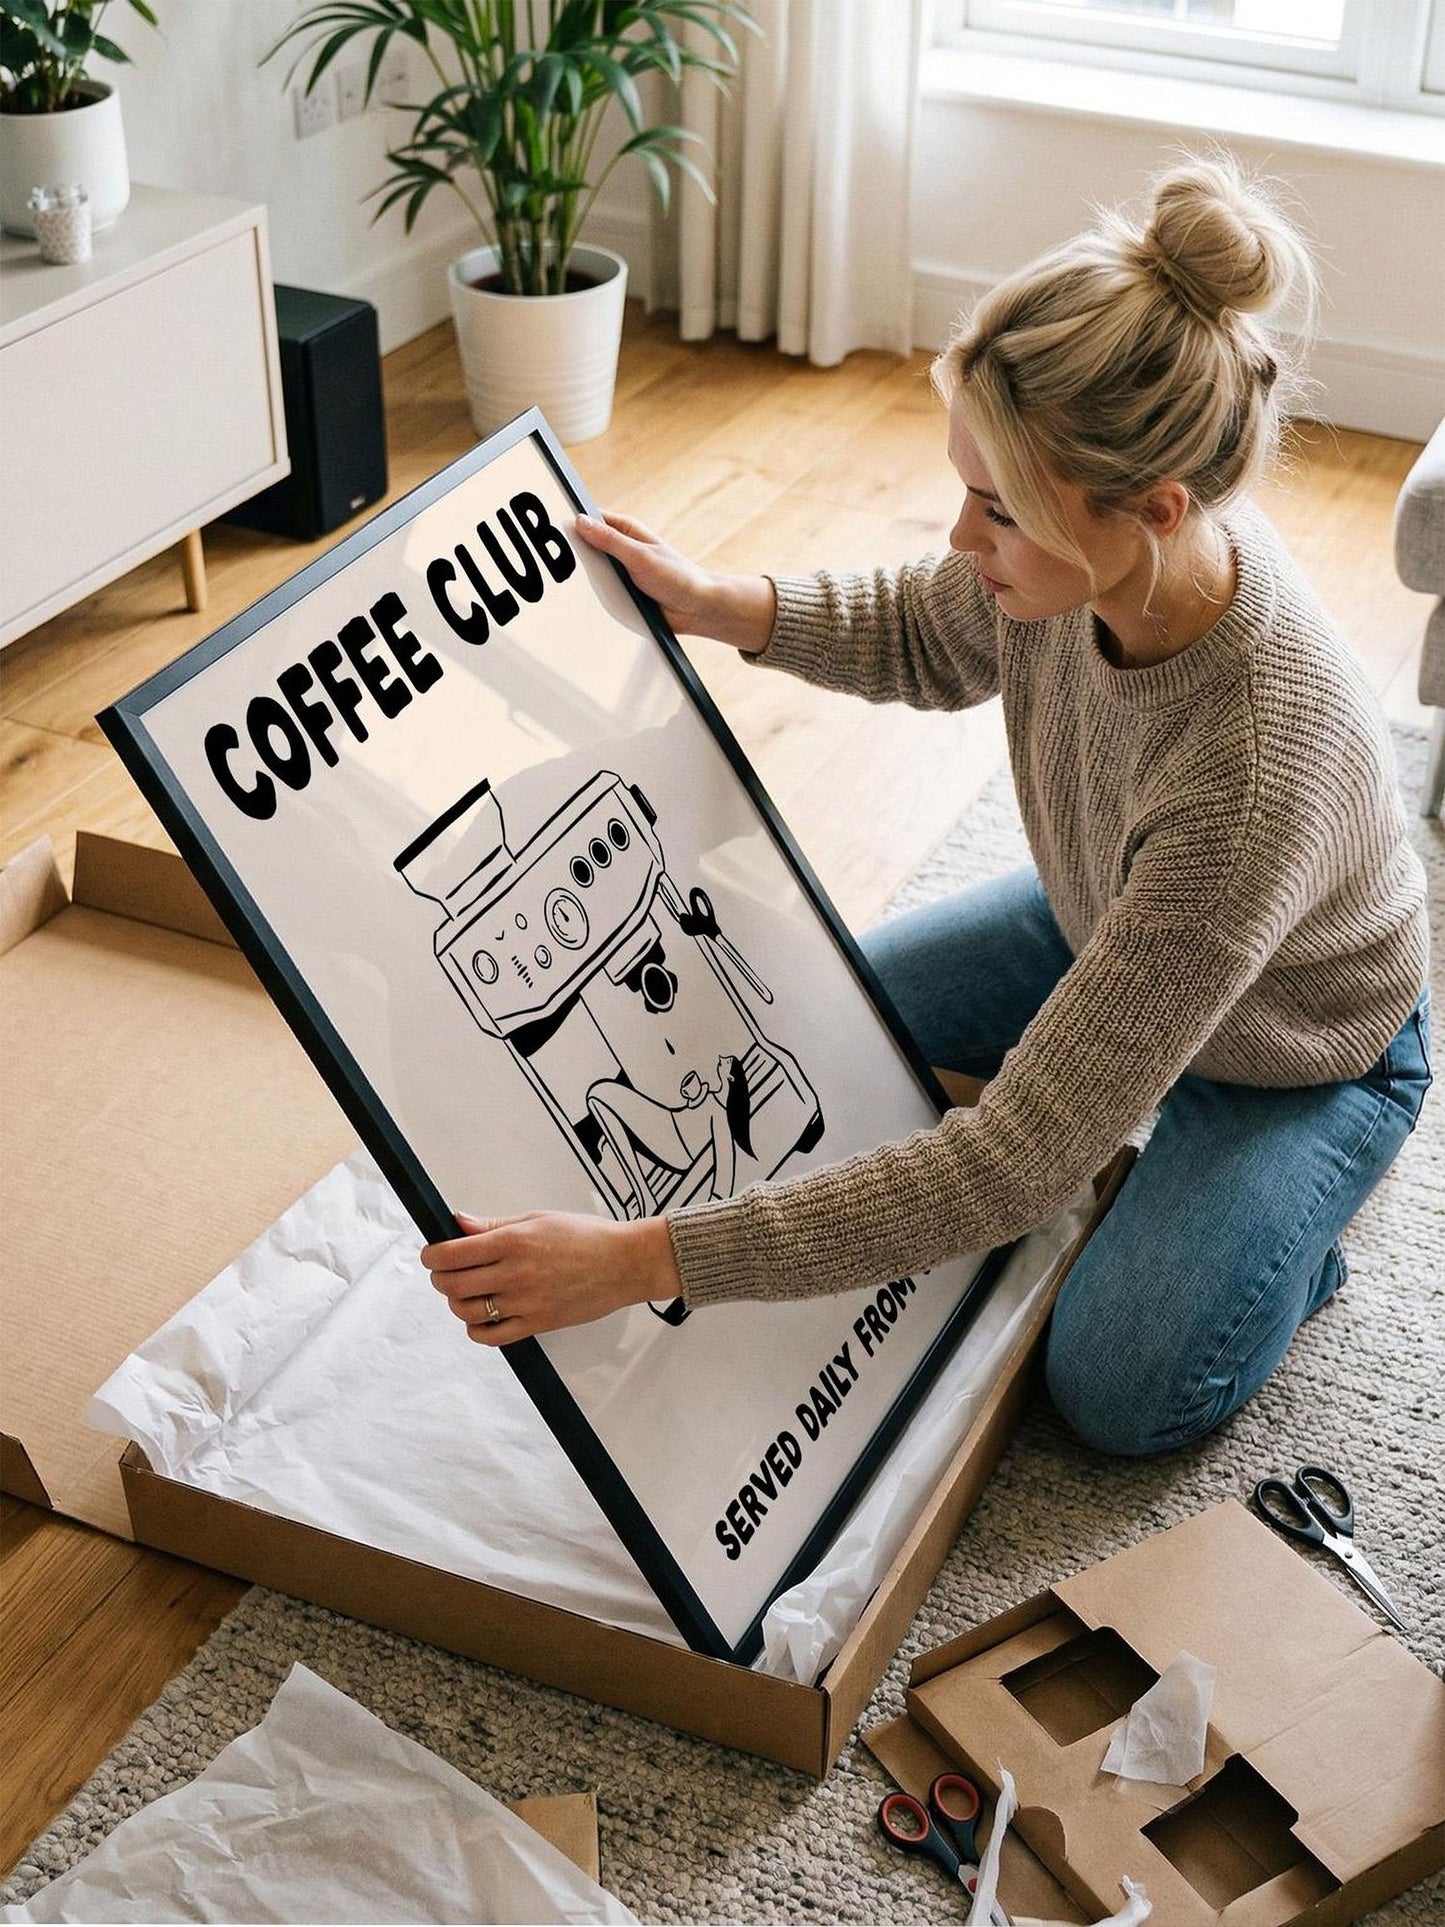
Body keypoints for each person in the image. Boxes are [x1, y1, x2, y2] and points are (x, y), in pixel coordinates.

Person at [423, 156, 1431, 1457]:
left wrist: (642, 1261)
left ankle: (1283, 1244)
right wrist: (719, 601)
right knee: (802, 1043)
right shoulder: (1087, 567)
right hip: (1098, 915)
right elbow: (922, 623)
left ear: (1153, 512)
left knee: (1121, 1385)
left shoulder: (1246, 772)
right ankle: (1156, 1127)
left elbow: (1011, 1165)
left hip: (1299, 1046)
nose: (961, 537)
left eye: (997, 510)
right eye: (965, 486)